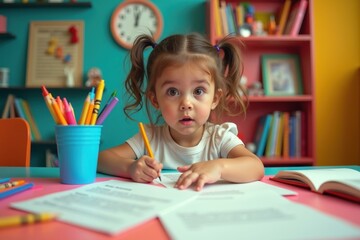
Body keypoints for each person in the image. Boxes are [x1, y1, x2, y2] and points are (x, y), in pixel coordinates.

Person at [97, 33, 264, 191]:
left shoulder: (219, 138)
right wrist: (130, 168)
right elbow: (101, 159)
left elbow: (255, 167)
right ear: (155, 99)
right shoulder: (149, 138)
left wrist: (218, 167)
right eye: (172, 92)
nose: (186, 104)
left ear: (215, 98)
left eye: (198, 91)